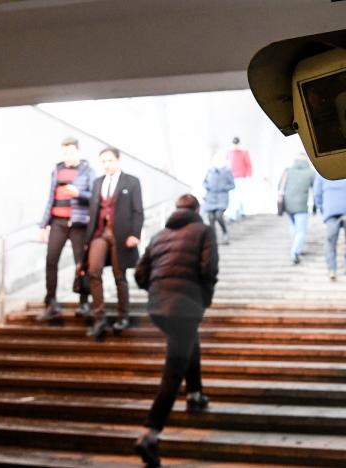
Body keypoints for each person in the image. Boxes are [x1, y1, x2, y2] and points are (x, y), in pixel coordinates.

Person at [133, 194, 218, 467]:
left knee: (189, 342)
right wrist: (202, 297)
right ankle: (150, 433)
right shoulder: (204, 231)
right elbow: (209, 268)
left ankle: (195, 395)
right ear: (197, 209)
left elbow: (140, 274)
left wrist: (159, 292)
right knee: (173, 371)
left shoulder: (160, 234)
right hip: (185, 306)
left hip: (159, 307)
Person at [85, 147, 144, 340]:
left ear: (118, 160)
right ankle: (99, 317)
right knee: (93, 271)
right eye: (103, 161)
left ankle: (123, 316)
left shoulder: (132, 181)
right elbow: (93, 211)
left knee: (119, 276)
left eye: (110, 160)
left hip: (121, 235)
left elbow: (138, 211)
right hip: (100, 233)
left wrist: (134, 234)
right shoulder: (97, 182)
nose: (106, 164)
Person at [38, 137, 97, 322]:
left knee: (81, 264)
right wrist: (44, 225)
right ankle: (51, 303)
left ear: (78, 151)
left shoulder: (88, 171)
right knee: (51, 261)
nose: (67, 156)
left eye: (70, 152)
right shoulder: (57, 170)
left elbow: (94, 197)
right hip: (57, 222)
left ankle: (84, 302)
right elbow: (51, 198)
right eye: (64, 152)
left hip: (78, 224)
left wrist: (78, 193)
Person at [313, 175, 346, 281]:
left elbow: (317, 194)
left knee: (330, 241)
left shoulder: (322, 171)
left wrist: (322, 208)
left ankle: (332, 269)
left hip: (330, 209)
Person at [281, 153, 315, 265]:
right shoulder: (310, 173)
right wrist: (315, 206)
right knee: (301, 231)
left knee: (293, 226)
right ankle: (295, 252)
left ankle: (295, 247)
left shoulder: (289, 171)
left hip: (288, 204)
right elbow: (315, 190)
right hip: (301, 205)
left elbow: (280, 186)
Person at [202, 153, 235, 244]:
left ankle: (225, 232)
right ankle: (213, 238)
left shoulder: (227, 171)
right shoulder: (210, 171)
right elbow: (204, 183)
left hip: (222, 198)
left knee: (219, 216)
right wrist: (208, 187)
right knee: (211, 217)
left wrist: (224, 188)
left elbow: (232, 185)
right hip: (211, 197)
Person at [226, 136, 252, 221]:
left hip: (240, 178)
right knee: (231, 196)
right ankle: (232, 215)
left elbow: (248, 165)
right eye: (234, 143)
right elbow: (226, 166)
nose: (235, 145)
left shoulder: (244, 153)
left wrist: (248, 176)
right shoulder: (229, 153)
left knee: (240, 196)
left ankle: (242, 212)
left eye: (236, 143)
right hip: (230, 178)